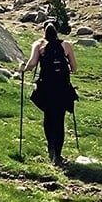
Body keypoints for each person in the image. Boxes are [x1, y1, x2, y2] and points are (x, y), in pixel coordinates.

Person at [20, 21, 78, 165]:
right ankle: (57, 155)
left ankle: (50, 149)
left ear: (43, 31)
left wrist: (23, 68)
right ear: (56, 31)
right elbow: (74, 68)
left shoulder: (39, 45)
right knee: (60, 120)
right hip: (62, 88)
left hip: (46, 87)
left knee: (49, 118)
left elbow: (32, 64)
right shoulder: (66, 45)